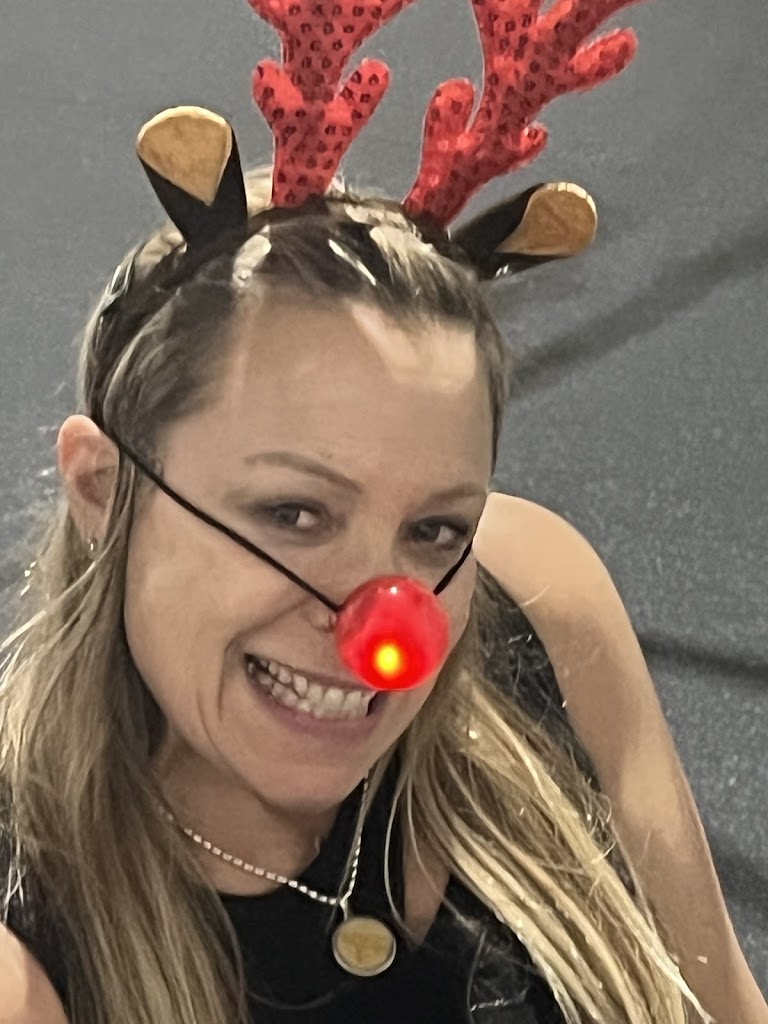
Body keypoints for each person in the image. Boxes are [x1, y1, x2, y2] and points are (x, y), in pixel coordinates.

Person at [2, 2, 767, 1023]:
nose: (383, 628)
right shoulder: (28, 950)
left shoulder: (539, 593)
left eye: (435, 528)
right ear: (104, 489)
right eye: (293, 513)